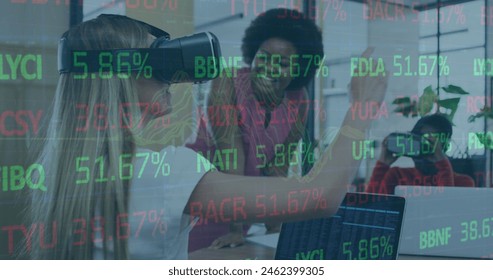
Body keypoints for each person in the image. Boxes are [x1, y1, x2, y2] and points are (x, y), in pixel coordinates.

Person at [26, 14, 387, 259]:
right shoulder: (165, 172)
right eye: (161, 64)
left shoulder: (48, 170)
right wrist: (363, 107)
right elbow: (319, 198)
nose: (174, 78)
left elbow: (283, 171)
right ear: (122, 75)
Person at [186, 8, 323, 250]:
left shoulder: (298, 99)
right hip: (204, 207)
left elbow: (279, 168)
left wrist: (275, 226)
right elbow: (232, 162)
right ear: (253, 52)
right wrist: (235, 229)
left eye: (282, 63)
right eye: (264, 56)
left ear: (297, 70)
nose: (269, 68)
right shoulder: (226, 82)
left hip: (241, 212)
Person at [366, 114, 475, 195]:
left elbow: (446, 208)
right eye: (417, 140)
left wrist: (442, 163)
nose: (422, 148)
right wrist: (383, 164)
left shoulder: (463, 183)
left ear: (444, 147)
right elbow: (370, 208)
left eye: (430, 144)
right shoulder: (397, 176)